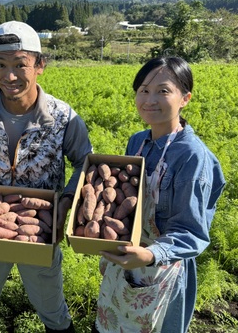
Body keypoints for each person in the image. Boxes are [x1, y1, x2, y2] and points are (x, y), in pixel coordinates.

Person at [0, 20, 93, 332]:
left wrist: (67, 200)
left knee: (51, 306)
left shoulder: (63, 117)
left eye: (20, 65)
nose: (9, 76)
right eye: (0, 65)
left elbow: (85, 163)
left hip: (39, 230)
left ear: (39, 65)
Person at [93, 56, 226, 333]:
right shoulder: (138, 141)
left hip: (164, 268)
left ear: (184, 98)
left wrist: (150, 254)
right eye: (144, 90)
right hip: (127, 257)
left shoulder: (192, 157)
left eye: (163, 91)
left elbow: (192, 233)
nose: (150, 99)